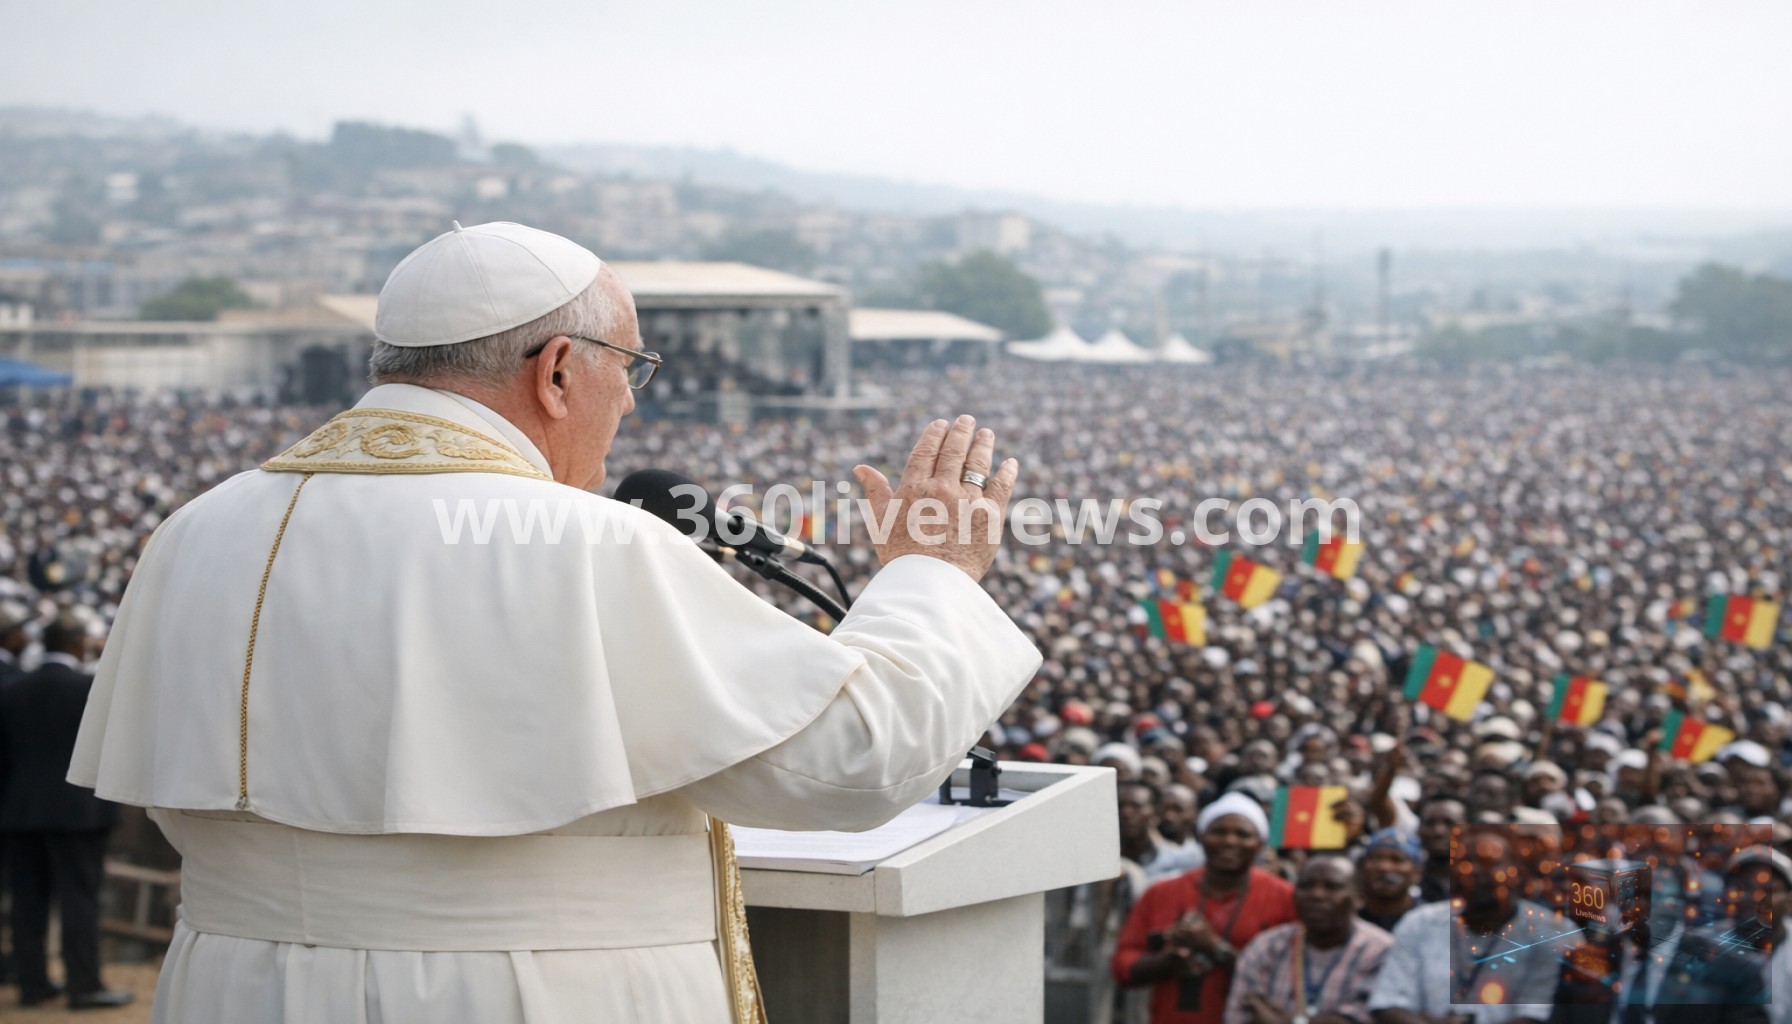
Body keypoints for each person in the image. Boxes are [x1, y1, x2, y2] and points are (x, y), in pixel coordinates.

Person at [67, 222, 1042, 1023]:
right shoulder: (582, 542)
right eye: (631, 370)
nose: (628, 403)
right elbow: (853, 764)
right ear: (560, 370)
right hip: (523, 992)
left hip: (229, 986)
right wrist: (932, 573)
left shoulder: (194, 530)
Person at [0, 613, 132, 1009]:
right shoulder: (89, 690)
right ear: (76, 645)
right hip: (79, 814)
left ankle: (32, 983)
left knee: (26, 901)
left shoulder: (11, 689)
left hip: (20, 811)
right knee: (79, 899)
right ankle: (83, 984)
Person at [1113, 792, 1298, 1024]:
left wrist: (1216, 948)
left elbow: (1292, 976)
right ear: (1201, 837)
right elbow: (1123, 965)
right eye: (1219, 832)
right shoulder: (1161, 892)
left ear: (1260, 843)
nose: (1229, 841)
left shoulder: (1285, 897)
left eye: (1242, 834)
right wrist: (1165, 961)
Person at [1368, 827, 1564, 1024]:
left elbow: (1533, 1016)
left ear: (1519, 874)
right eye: (1466, 863)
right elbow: (1388, 1003)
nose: (1475, 872)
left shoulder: (1548, 931)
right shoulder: (1420, 922)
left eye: (1489, 863)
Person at [1224, 855, 1393, 1024]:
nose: (1316, 895)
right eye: (1305, 886)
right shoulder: (1267, 947)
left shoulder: (1381, 950)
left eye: (1332, 887)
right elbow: (1239, 1014)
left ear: (1359, 898)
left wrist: (1291, 1021)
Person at [1356, 829, 1422, 932]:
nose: (1384, 867)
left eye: (1396, 859)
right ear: (1361, 869)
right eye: (1376, 859)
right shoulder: (1346, 921)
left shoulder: (1428, 922)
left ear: (1417, 873)